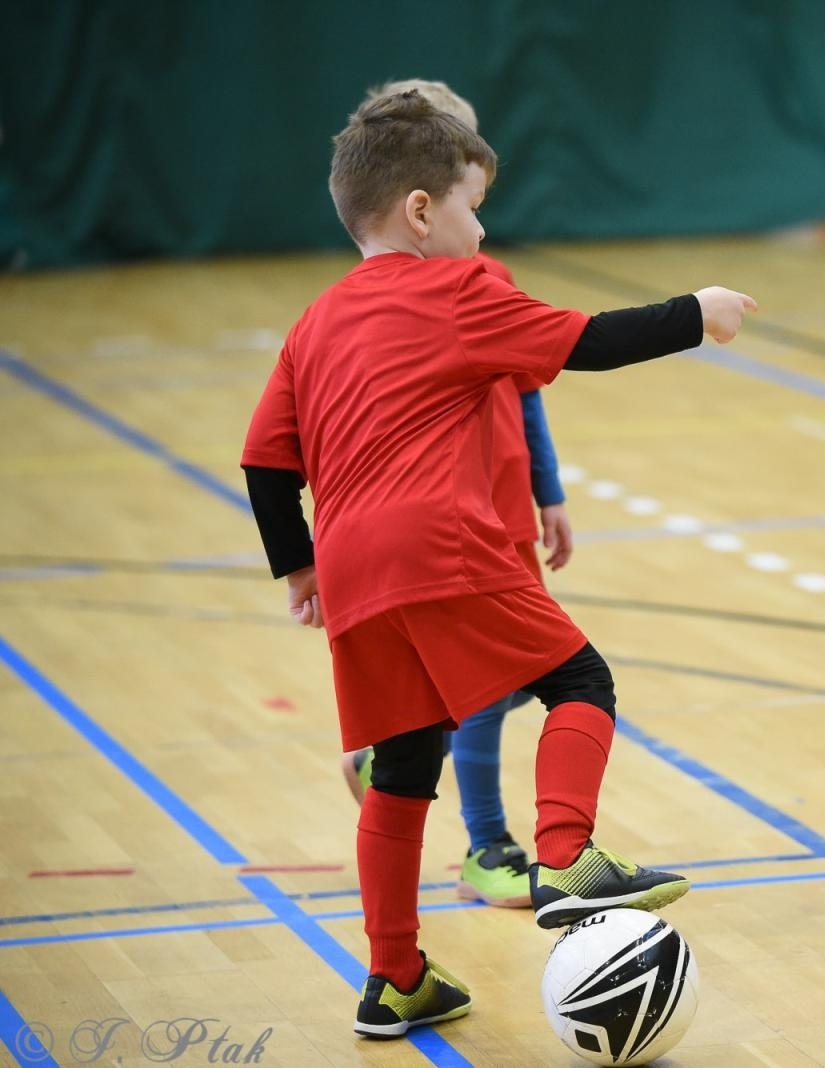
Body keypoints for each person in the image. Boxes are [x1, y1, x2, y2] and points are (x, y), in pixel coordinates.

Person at [241, 90, 756, 1036]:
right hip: (442, 546)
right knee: (580, 681)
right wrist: (699, 312)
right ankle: (564, 854)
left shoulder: (313, 323)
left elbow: (265, 462)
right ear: (421, 211)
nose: (481, 231)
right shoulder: (456, 290)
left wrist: (300, 568)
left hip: (353, 568)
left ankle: (396, 977)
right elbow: (589, 341)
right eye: (472, 208)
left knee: (402, 766)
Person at [332, 79, 578, 913]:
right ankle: (488, 844)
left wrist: (547, 490)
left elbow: (529, 388)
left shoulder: (485, 275)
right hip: (449, 512)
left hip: (501, 505)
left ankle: (400, 752)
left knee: (509, 676)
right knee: (497, 679)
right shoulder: (391, 300)